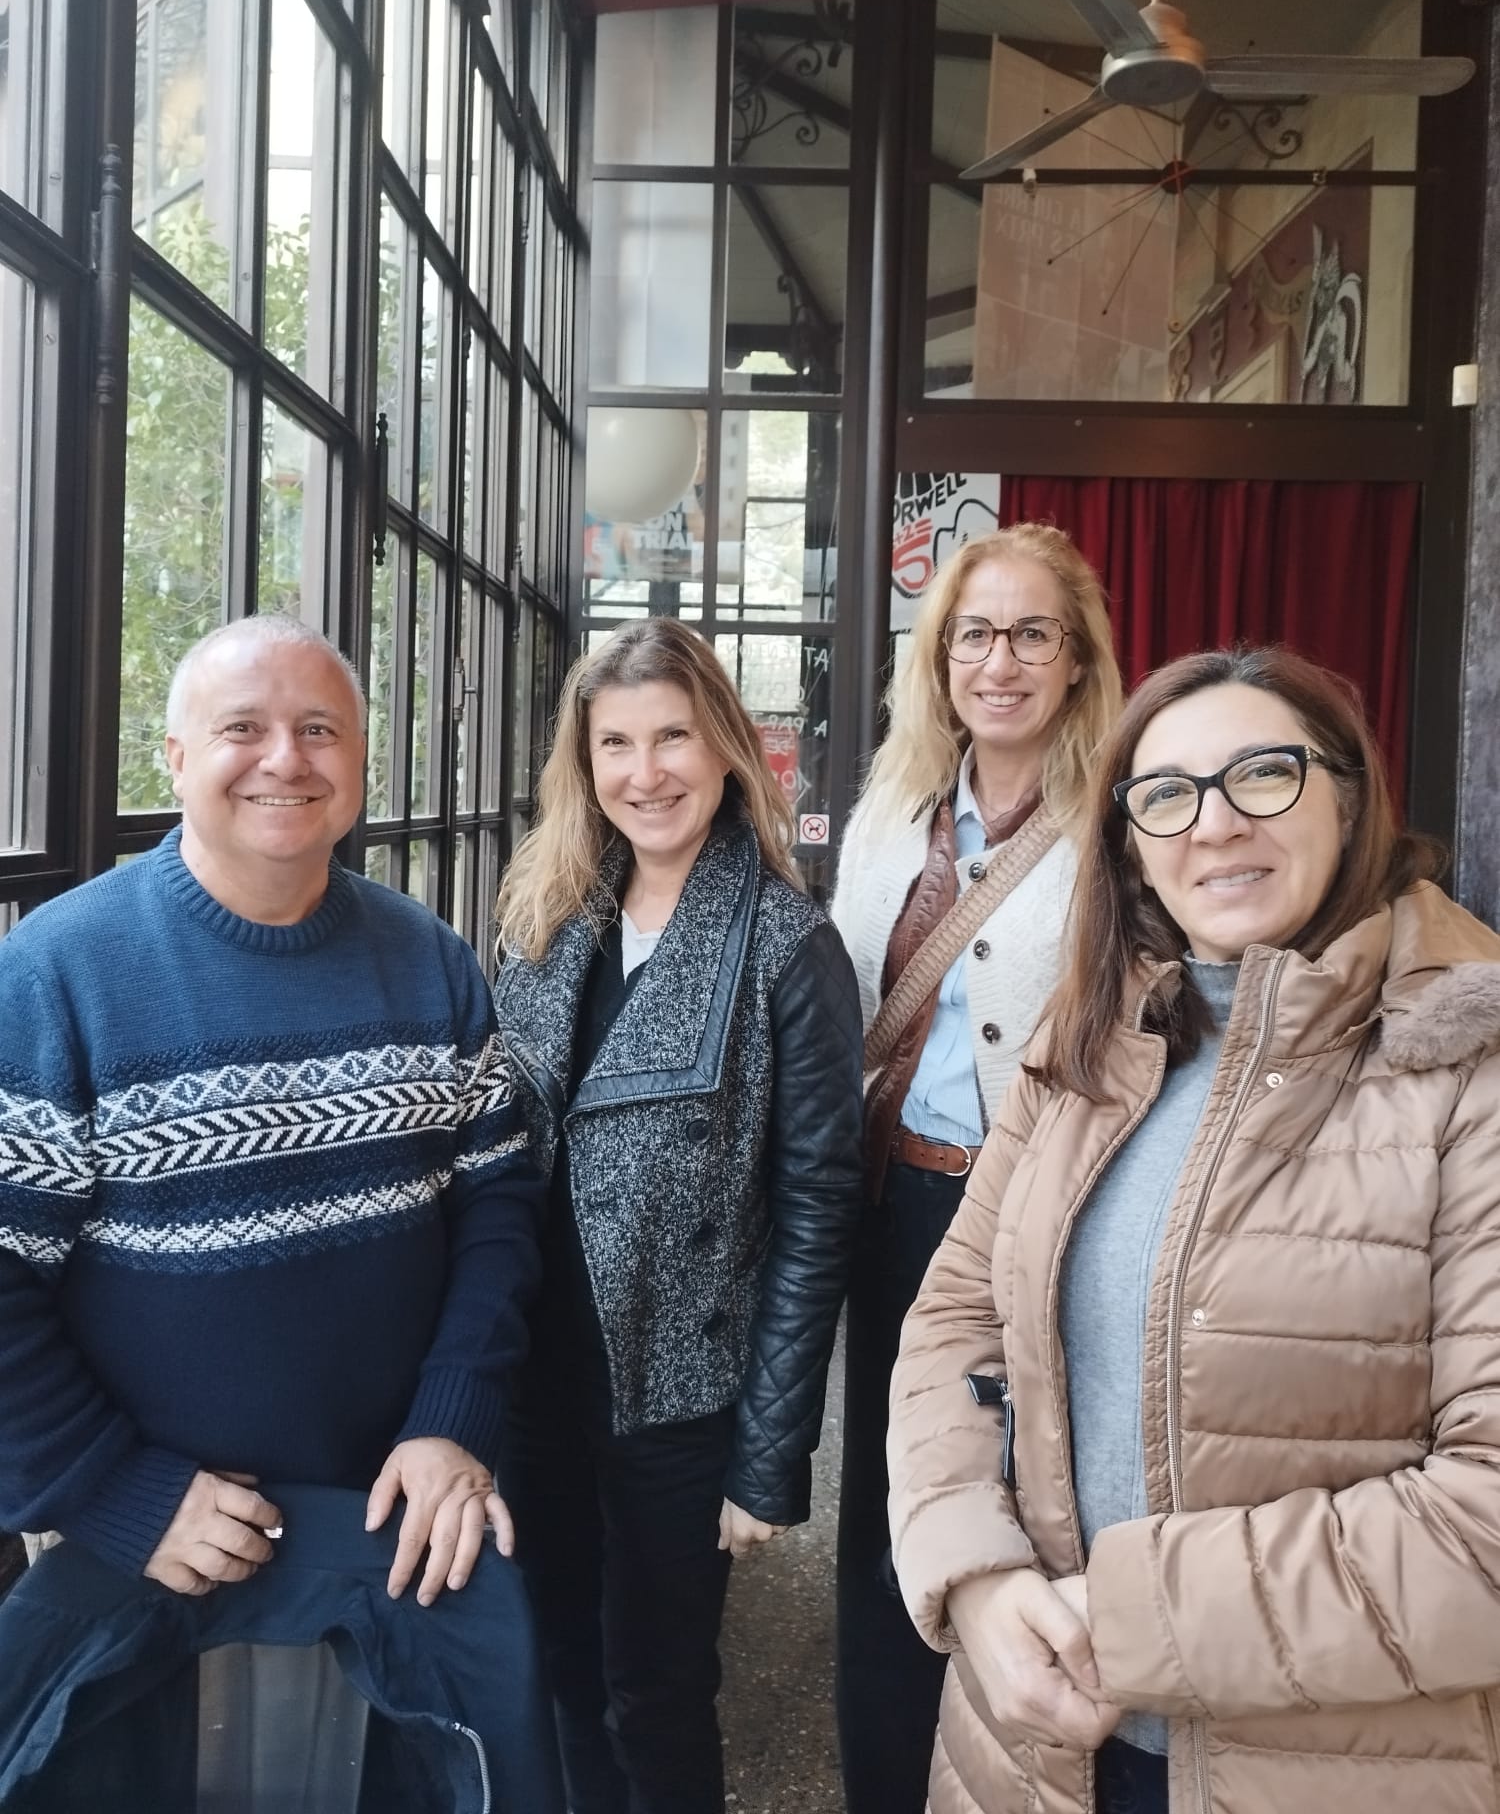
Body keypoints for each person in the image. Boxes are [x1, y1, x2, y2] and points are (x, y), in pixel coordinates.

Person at [888, 644, 1500, 1814]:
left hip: (1333, 1771)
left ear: (1350, 795)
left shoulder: (1469, 1058)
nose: (1215, 822)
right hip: (1034, 1746)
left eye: (1264, 772)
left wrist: (1128, 1617)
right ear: (1131, 840)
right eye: (1166, 793)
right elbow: (956, 1318)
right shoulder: (1089, 1035)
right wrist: (973, 1572)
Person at [0, 614, 560, 1810]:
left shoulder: (431, 962)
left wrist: (454, 1416)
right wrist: (111, 1489)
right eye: (242, 727)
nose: (285, 758)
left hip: (392, 1532)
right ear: (173, 756)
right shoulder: (57, 974)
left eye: (319, 729)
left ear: (360, 757)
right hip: (146, 1554)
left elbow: (499, 1200)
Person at [493, 615, 864, 1814]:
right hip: (536, 1376)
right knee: (556, 1665)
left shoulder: (788, 943)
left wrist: (769, 1454)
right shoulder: (547, 916)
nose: (645, 771)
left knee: (654, 1693)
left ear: (724, 749)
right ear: (584, 762)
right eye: (616, 743)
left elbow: (818, 1208)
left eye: (673, 737)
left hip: (680, 1397)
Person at [829, 522, 1122, 1813]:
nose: (1000, 661)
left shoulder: (1121, 819)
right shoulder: (890, 810)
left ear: (1078, 659)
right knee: (890, 1502)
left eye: (1032, 634)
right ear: (940, 656)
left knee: (1035, 1502)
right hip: (893, 1203)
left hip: (1045, 1211)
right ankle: (884, 1779)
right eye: (975, 634)